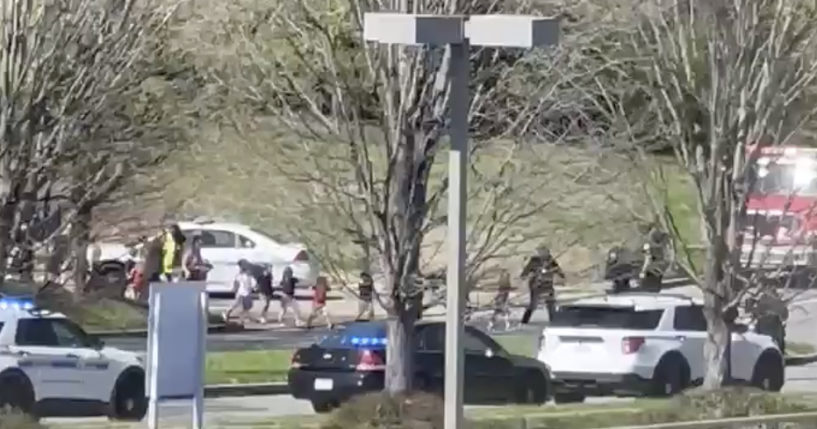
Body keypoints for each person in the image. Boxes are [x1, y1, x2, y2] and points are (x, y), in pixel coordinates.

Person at [521, 246, 565, 324]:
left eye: (545, 252)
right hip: (536, 286)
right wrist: (532, 273)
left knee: (551, 304)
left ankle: (553, 321)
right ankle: (524, 322)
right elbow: (524, 274)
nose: (543, 254)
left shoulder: (551, 261)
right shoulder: (534, 261)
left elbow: (558, 270)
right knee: (533, 305)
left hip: (548, 285)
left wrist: (560, 274)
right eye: (541, 252)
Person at [223, 259, 257, 324]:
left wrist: (253, 286)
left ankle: (243, 318)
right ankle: (227, 313)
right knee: (237, 305)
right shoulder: (241, 274)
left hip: (246, 291)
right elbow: (237, 282)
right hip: (242, 292)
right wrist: (234, 289)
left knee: (248, 306)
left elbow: (250, 281)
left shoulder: (247, 273)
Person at [640, 223, 669, 292]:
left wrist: (643, 271)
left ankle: (652, 289)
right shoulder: (661, 245)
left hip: (653, 268)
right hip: (658, 266)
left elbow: (647, 259)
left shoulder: (648, 244)